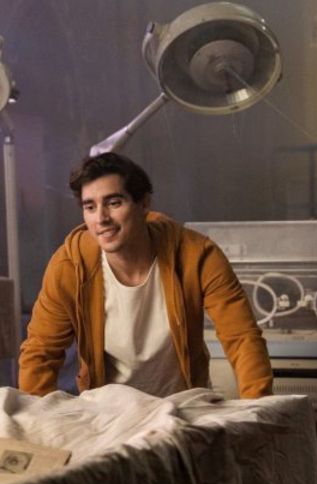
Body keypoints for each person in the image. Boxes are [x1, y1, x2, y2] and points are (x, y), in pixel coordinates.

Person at [19, 152, 273, 399]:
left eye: (114, 203)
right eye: (90, 207)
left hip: (185, 407)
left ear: (144, 204)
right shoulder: (69, 266)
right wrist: (36, 421)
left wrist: (259, 410)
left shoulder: (197, 255)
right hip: (107, 413)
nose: (101, 218)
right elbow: (41, 352)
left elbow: (242, 338)